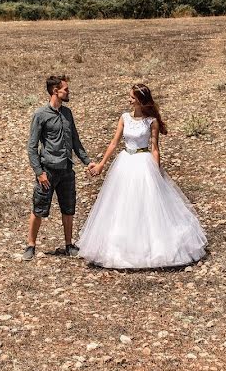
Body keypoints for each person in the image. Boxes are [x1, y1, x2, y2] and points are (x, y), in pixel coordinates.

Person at [78, 83, 207, 268]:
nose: (129, 99)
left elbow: (155, 148)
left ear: (139, 100)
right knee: (122, 203)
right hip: (125, 163)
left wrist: (156, 171)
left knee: (147, 203)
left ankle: (150, 248)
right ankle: (120, 248)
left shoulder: (151, 121)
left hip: (143, 161)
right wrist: (101, 165)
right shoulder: (124, 118)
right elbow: (114, 143)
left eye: (132, 97)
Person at [24, 75, 97, 261]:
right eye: (65, 89)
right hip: (47, 172)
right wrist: (39, 173)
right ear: (55, 91)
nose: (68, 92)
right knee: (39, 209)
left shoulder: (68, 114)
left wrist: (87, 161)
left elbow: (75, 141)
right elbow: (32, 147)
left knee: (69, 208)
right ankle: (30, 245)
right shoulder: (40, 115)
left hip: (66, 170)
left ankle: (68, 245)